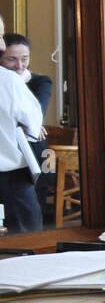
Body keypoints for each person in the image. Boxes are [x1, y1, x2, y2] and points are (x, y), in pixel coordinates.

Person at [0, 23, 45, 233]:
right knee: (28, 243)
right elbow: (33, 126)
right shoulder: (8, 81)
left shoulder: (32, 80)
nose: (1, 45)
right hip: (10, 177)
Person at [1, 33, 54, 204]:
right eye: (11, 59)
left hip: (35, 149)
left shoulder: (41, 81)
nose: (19, 65)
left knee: (34, 202)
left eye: (24, 59)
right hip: (7, 151)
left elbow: (35, 119)